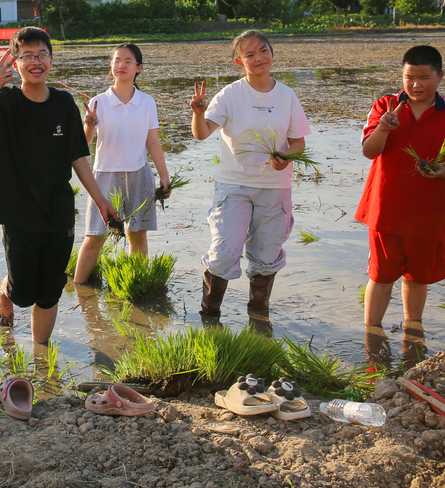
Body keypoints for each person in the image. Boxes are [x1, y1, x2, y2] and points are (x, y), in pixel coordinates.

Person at [0, 26, 115, 345]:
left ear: (51, 60)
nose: (36, 61)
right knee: (23, 292)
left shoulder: (63, 104)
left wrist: (101, 201)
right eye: (27, 55)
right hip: (18, 215)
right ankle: (6, 292)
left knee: (50, 291)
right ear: (15, 63)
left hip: (57, 213)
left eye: (42, 54)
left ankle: (41, 359)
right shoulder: (4, 102)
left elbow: (78, 158)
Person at [190, 29, 311, 326]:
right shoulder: (230, 95)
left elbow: (298, 142)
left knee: (267, 255)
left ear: (272, 53)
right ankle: (209, 318)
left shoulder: (287, 95)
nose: (259, 58)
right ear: (238, 61)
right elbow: (202, 132)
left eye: (264, 50)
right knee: (223, 253)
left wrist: (287, 158)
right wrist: (198, 112)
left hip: (274, 187)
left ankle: (258, 320)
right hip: (234, 186)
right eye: (250, 54)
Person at [356, 44, 445, 334]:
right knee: (381, 276)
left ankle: (413, 335)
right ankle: (372, 336)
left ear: (440, 77)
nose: (416, 84)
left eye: (424, 77)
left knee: (418, 277)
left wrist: (439, 172)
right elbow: (369, 152)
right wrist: (384, 128)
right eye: (409, 77)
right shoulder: (385, 105)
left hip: (426, 214)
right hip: (385, 210)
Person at [74, 43, 170, 283]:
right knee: (95, 235)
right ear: (111, 66)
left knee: (137, 234)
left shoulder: (147, 102)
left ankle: (135, 283)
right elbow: (83, 145)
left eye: (128, 61)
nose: (121, 65)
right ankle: (79, 285)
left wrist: (164, 176)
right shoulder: (98, 102)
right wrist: (90, 124)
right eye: (117, 61)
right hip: (105, 176)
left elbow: (153, 143)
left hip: (140, 174)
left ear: (138, 68)